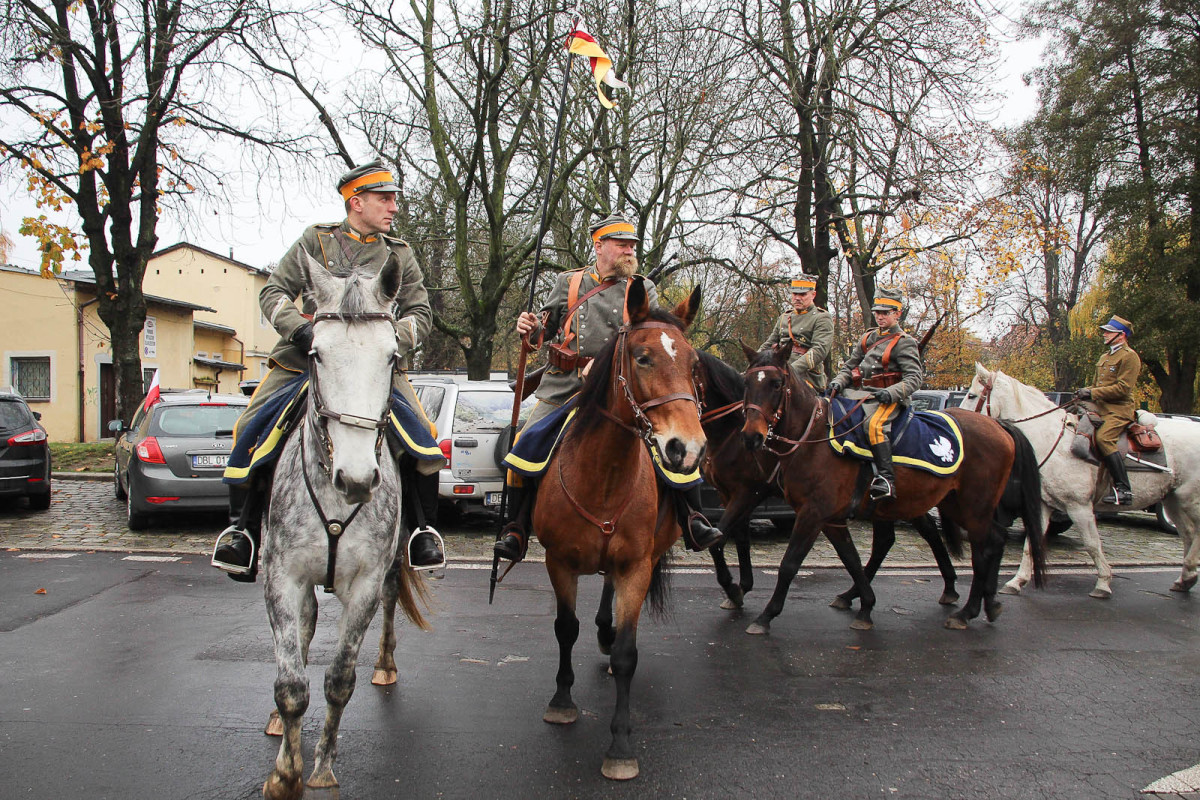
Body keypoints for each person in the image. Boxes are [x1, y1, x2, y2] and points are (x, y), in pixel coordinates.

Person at [212, 159, 445, 581]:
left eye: (394, 198)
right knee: (252, 425)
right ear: (356, 202)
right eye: (384, 199)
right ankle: (241, 531)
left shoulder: (400, 254)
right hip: (307, 360)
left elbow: (420, 312)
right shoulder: (314, 242)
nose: (393, 207)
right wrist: (300, 331)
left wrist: (391, 342)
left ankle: (421, 531)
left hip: (374, 368)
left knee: (422, 438)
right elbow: (274, 291)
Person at [493, 213, 724, 562]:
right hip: (565, 386)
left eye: (632, 244)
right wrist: (529, 329)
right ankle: (517, 528)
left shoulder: (642, 288)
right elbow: (544, 332)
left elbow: (653, 337)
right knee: (524, 444)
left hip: (620, 388)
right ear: (599, 245)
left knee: (667, 443)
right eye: (621, 244)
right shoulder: (569, 282)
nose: (629, 250)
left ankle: (692, 517)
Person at [826, 287, 924, 501]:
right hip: (859, 393)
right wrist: (837, 382)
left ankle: (886, 479)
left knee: (874, 425)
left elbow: (914, 378)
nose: (880, 316)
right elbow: (849, 368)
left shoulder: (904, 342)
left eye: (886, 312)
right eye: (878, 312)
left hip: (887, 398)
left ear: (897, 313)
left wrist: (890, 392)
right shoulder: (867, 338)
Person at [1075, 315, 1141, 505]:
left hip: (1118, 410)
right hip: (1099, 407)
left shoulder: (1130, 356)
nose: (1104, 334)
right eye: (1105, 331)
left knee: (1104, 439)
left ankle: (1123, 489)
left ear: (1121, 335)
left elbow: (1123, 388)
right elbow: (1097, 385)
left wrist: (1092, 392)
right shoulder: (1105, 357)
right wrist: (1084, 392)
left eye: (1108, 331)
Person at [760, 273, 835, 390]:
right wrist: (754, 364)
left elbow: (819, 351)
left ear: (813, 294)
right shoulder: (784, 317)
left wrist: (790, 370)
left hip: (806, 377)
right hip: (779, 371)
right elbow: (769, 344)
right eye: (795, 294)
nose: (797, 298)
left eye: (803, 294)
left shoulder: (822, 318)